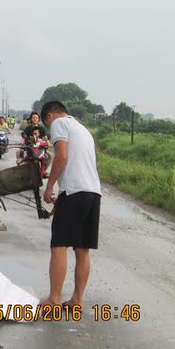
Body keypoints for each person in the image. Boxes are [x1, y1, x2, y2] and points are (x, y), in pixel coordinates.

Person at [40, 101, 102, 310]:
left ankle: (54, 299)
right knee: (81, 248)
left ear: (50, 116)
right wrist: (63, 194)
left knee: (58, 245)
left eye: (47, 125)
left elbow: (62, 156)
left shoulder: (59, 124)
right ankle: (77, 299)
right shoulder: (82, 128)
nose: (51, 131)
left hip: (75, 191)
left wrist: (49, 188)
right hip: (92, 193)